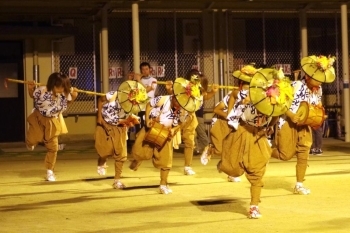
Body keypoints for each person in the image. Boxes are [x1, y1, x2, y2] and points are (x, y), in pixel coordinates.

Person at [218, 66, 280, 219]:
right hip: (241, 130)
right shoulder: (241, 93)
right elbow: (232, 97)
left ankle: (254, 206)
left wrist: (270, 126)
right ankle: (216, 153)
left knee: (257, 172)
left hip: (258, 134)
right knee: (232, 168)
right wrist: (236, 107)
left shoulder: (273, 96)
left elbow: (277, 114)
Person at [271, 55, 336, 195]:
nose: (320, 80)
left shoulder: (319, 89)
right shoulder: (296, 86)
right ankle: (265, 149)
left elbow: (315, 105)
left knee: (303, 153)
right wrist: (291, 115)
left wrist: (318, 115)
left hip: (304, 124)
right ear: (308, 75)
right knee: (285, 155)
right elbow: (281, 103)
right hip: (288, 122)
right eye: (317, 77)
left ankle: (299, 184)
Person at [128, 78, 194, 194]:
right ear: (174, 97)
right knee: (140, 152)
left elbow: (181, 123)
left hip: (166, 133)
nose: (179, 104)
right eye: (178, 101)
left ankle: (163, 184)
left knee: (166, 160)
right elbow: (149, 105)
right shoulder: (164, 99)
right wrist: (147, 119)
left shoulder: (183, 108)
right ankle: (138, 159)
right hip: (152, 127)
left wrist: (174, 129)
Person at [26, 72, 78, 181]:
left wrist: (73, 97)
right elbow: (32, 96)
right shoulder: (42, 90)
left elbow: (65, 105)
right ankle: (30, 143)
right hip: (38, 118)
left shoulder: (66, 93)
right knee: (32, 140)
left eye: (64, 86)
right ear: (53, 84)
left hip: (53, 120)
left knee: (53, 148)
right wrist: (30, 89)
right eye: (59, 86)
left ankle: (50, 171)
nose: (61, 89)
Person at [95, 82, 144, 189]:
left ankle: (117, 180)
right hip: (105, 125)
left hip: (120, 127)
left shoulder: (134, 104)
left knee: (121, 155)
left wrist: (131, 121)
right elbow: (100, 100)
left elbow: (129, 116)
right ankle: (101, 162)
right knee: (105, 152)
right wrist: (99, 117)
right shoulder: (113, 94)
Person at [181, 69, 218, 175]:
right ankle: (204, 149)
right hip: (184, 116)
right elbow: (177, 97)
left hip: (196, 115)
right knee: (185, 140)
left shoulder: (201, 90)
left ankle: (189, 165)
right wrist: (170, 90)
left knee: (191, 141)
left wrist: (213, 92)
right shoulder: (186, 88)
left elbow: (205, 97)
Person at [200, 91, 241, 182]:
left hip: (234, 125)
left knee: (233, 150)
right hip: (220, 122)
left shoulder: (252, 98)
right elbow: (216, 109)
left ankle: (231, 174)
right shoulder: (232, 96)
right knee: (219, 150)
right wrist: (230, 117)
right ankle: (210, 149)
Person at [131, 62, 157, 133]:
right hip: (140, 107)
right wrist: (132, 79)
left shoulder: (153, 80)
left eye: (147, 69)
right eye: (143, 69)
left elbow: (146, 90)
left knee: (148, 128)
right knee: (139, 128)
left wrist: (139, 80)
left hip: (149, 108)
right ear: (141, 70)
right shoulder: (139, 80)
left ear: (149, 70)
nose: (145, 71)